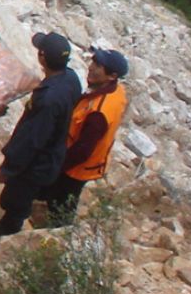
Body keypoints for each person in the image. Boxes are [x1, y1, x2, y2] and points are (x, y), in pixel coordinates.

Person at [0, 32, 83, 239]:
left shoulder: (48, 99)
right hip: (54, 153)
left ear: (42, 58)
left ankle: (8, 229)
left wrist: (9, 168)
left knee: (14, 198)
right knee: (23, 194)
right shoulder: (71, 79)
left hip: (37, 163)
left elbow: (32, 139)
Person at [36, 47, 129, 225]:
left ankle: (57, 236)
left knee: (60, 204)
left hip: (75, 168)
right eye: (93, 62)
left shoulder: (98, 113)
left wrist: (57, 166)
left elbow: (82, 151)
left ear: (112, 75)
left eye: (98, 66)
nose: (91, 67)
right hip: (84, 163)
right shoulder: (115, 92)